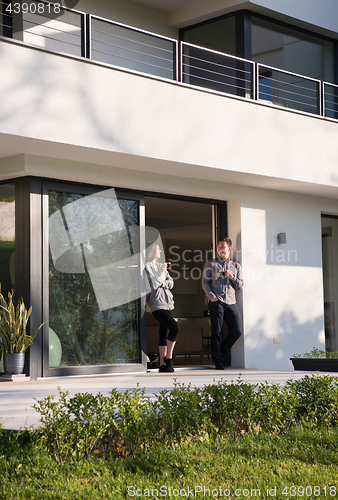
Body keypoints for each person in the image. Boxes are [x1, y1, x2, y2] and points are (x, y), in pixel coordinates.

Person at [202, 237, 243, 370]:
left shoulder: (236, 266)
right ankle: (218, 362)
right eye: (218, 247)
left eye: (222, 246)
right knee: (216, 332)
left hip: (230, 302)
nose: (220, 249)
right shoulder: (211, 264)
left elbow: (240, 285)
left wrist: (232, 276)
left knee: (236, 331)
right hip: (217, 302)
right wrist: (212, 297)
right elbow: (204, 283)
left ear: (229, 249)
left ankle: (219, 354)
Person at [145, 242, 179, 373]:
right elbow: (153, 284)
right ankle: (169, 358)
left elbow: (171, 282)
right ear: (152, 251)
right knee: (175, 327)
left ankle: (162, 364)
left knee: (163, 333)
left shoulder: (161, 266)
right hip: (156, 304)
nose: (160, 252)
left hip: (169, 303)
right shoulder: (147, 267)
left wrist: (162, 282)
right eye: (158, 249)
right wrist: (160, 274)